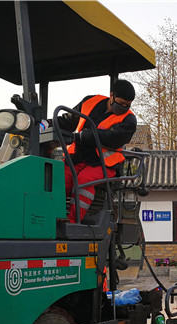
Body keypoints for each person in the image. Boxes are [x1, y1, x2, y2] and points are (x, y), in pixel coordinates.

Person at [57, 79, 137, 222]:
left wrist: (87, 136)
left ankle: (73, 222)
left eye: (127, 105)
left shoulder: (129, 120)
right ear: (111, 96)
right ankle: (54, 217)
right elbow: (68, 121)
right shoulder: (90, 102)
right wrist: (47, 124)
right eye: (120, 103)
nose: (123, 107)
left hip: (104, 164)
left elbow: (113, 138)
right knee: (59, 179)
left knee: (83, 181)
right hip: (78, 157)